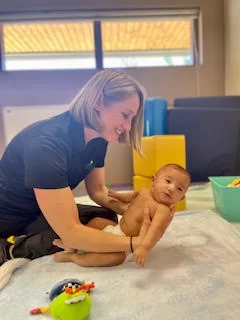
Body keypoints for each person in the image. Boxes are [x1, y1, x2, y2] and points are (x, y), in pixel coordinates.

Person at [0, 70, 174, 268]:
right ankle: (11, 250)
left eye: (132, 119)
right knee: (79, 235)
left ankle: (46, 239)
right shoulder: (45, 145)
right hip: (9, 218)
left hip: (38, 209)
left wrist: (132, 210)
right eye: (125, 115)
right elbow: (72, 232)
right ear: (98, 102)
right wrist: (138, 243)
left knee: (106, 216)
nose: (127, 126)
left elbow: (98, 190)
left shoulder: (98, 138)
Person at [53, 164, 190, 267]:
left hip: (127, 246)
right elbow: (130, 197)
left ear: (181, 198)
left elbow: (155, 230)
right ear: (153, 181)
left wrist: (144, 247)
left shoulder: (162, 210)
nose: (171, 188)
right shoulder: (144, 192)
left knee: (113, 258)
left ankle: (75, 258)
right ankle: (75, 244)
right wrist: (117, 195)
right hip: (117, 229)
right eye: (168, 181)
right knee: (98, 221)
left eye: (179, 188)